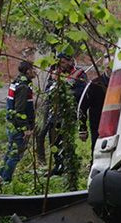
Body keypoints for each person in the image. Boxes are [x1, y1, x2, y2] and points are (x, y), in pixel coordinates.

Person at [37, 53, 87, 189]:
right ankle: (58, 165)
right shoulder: (55, 74)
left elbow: (80, 93)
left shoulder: (80, 74)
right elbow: (48, 91)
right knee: (53, 140)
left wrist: (65, 88)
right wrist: (55, 86)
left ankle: (69, 169)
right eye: (60, 63)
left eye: (64, 62)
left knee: (66, 141)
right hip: (54, 113)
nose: (61, 65)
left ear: (71, 61)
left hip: (69, 114)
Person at [0, 60, 37, 185]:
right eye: (33, 69)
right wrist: (26, 128)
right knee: (15, 155)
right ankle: (5, 181)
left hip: (12, 124)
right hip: (18, 127)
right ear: (27, 71)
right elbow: (19, 110)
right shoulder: (23, 87)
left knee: (10, 151)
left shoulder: (17, 82)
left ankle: (1, 176)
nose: (35, 71)